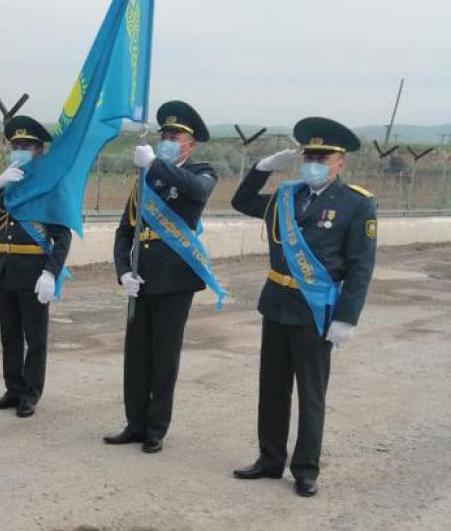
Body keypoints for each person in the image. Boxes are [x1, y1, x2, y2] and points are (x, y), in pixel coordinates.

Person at [230, 117, 377, 497]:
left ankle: (306, 468)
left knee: (311, 393)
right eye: (309, 156)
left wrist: (347, 317)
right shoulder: (287, 197)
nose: (313, 162)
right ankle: (269, 459)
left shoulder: (355, 204)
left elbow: (361, 267)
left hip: (316, 312)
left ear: (339, 162)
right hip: (277, 305)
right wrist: (262, 169)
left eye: (322, 157)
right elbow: (241, 201)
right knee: (272, 390)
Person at [104, 100, 219, 453]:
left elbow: (196, 192)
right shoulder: (145, 177)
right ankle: (134, 423)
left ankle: (156, 428)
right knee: (136, 356)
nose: (168, 139)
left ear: (190, 143)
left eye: (175, 135)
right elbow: (126, 230)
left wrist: (156, 162)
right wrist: (123, 271)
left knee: (164, 356)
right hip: (141, 277)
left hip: (175, 279)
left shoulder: (203, 171)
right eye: (164, 134)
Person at [0, 115, 71, 418]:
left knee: (35, 337)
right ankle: (13, 388)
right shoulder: (9, 183)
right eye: (15, 145)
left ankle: (30, 393)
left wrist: (50, 273)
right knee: (10, 335)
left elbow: (62, 235)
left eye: (25, 146)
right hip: (5, 269)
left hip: (34, 271)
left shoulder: (49, 188)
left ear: (39, 151)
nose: (19, 150)